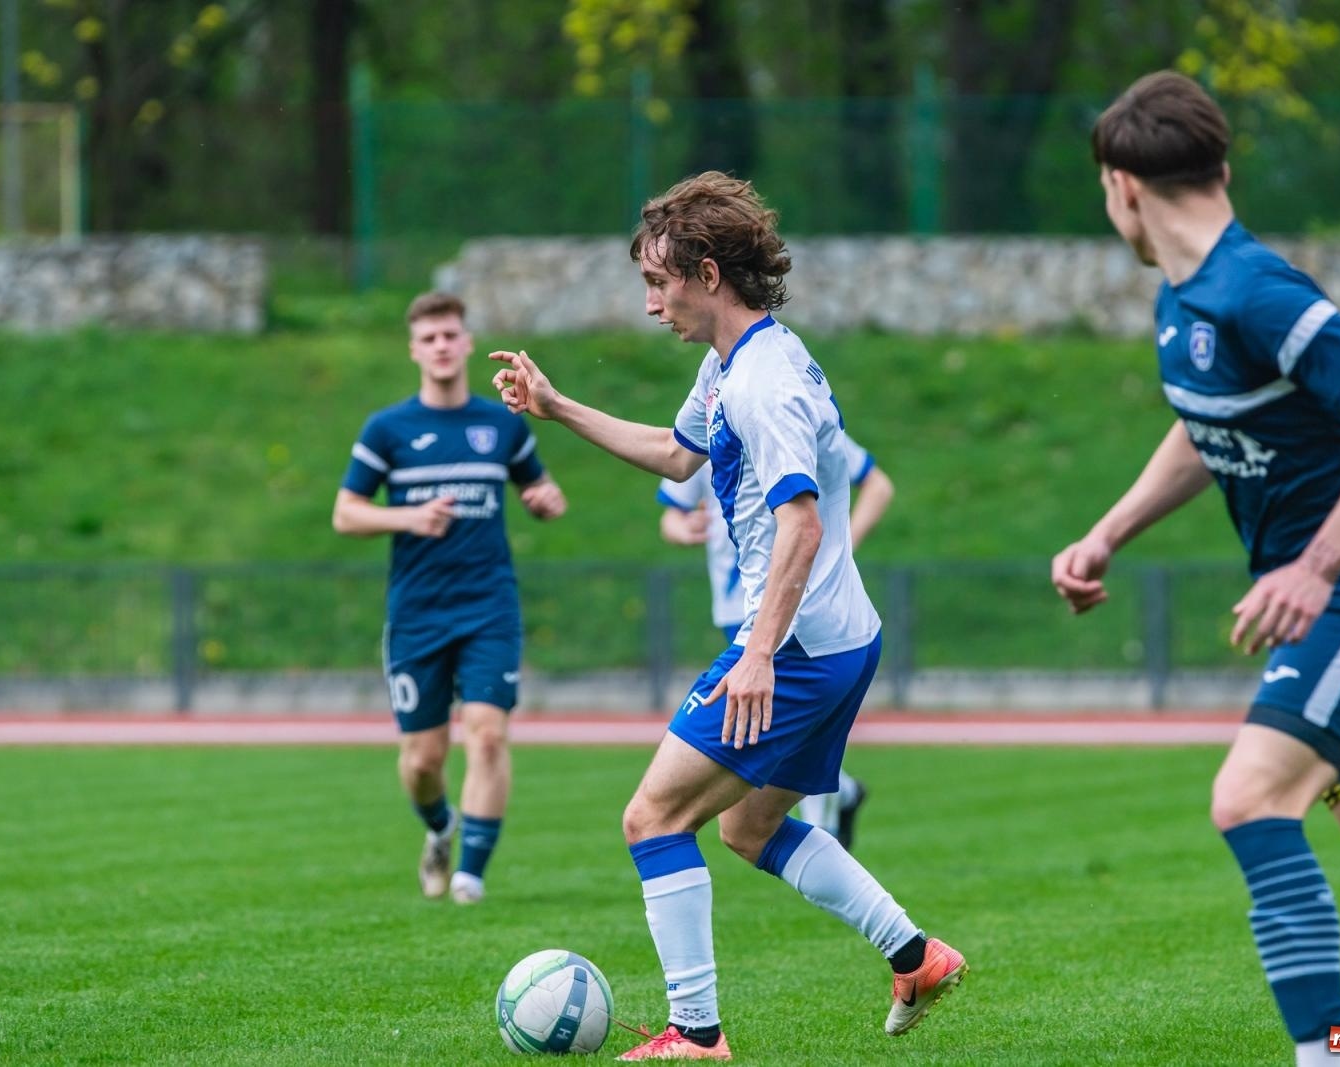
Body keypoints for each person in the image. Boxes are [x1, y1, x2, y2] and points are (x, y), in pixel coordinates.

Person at [1052, 71, 1340, 1066]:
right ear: (1222, 167)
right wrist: (1108, 530)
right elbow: (1205, 423)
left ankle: (1326, 1054)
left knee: (1248, 797)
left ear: (1120, 185)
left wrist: (1315, 566)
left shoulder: (1255, 290)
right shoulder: (1186, 298)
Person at [492, 172, 965, 1062]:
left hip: (798, 650)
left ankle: (696, 1033)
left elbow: (803, 519)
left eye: (656, 283)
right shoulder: (731, 364)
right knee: (747, 827)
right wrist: (555, 408)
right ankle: (915, 954)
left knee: (653, 818)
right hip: (840, 639)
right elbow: (679, 458)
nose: (648, 305)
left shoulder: (766, 384)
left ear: (707, 273)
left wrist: (756, 654)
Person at [334, 291, 566, 906]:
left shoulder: (501, 424)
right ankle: (441, 829)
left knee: (487, 735)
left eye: (450, 335)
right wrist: (407, 518)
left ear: (465, 343)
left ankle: (471, 877)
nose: (441, 346)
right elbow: (346, 514)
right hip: (416, 614)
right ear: (414, 349)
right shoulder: (388, 429)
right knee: (422, 761)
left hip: (489, 606)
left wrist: (547, 501)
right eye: (429, 337)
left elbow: (540, 488)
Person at [657, 444, 894, 850]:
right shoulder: (711, 422)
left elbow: (878, 485)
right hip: (738, 605)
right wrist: (683, 528)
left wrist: (838, 551)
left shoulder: (797, 415)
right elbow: (672, 512)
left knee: (790, 722)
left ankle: (823, 832)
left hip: (799, 601)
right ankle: (842, 792)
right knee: (766, 725)